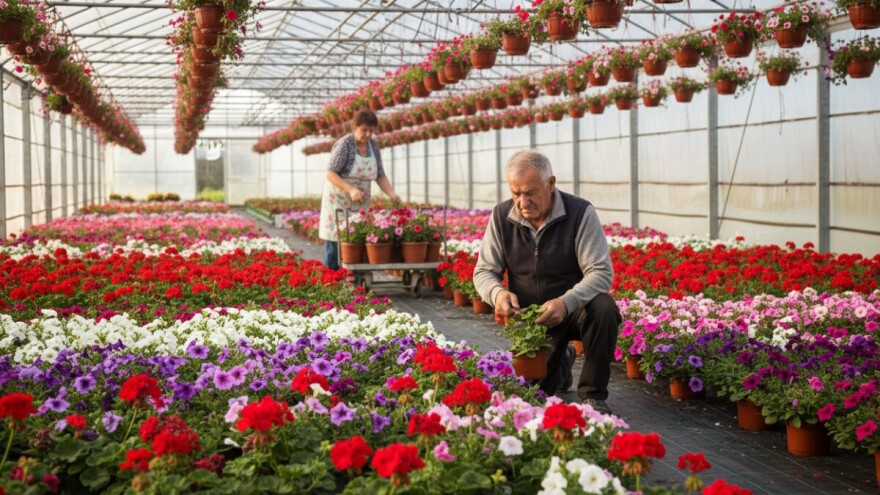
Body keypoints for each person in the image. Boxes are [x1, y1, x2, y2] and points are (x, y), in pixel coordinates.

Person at [473, 150, 621, 414]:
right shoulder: (501, 216)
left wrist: (566, 303)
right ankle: (562, 359)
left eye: (530, 192)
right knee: (536, 394)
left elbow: (600, 271)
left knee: (604, 308)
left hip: (574, 310)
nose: (523, 202)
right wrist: (497, 294)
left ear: (551, 183)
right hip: (532, 318)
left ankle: (593, 394)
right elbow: (484, 271)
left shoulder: (580, 213)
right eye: (516, 193)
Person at [318, 109, 400, 270]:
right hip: (338, 203)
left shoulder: (373, 146)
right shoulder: (345, 145)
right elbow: (331, 173)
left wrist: (391, 193)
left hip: (359, 204)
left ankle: (354, 280)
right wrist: (350, 189)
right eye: (364, 130)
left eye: (371, 131)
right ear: (354, 126)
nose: (368, 134)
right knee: (335, 242)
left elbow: (380, 175)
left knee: (357, 242)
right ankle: (331, 279)